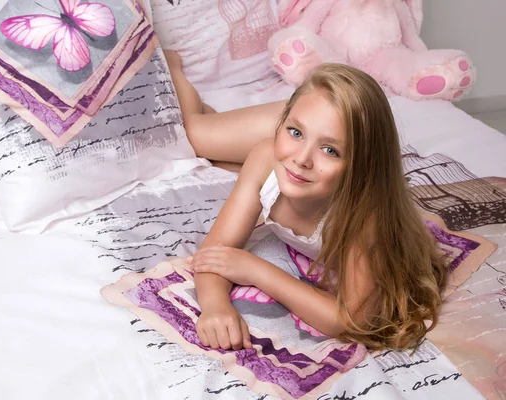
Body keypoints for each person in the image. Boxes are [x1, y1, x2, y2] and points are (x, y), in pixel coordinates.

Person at [165, 51, 448, 352]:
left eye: (331, 151)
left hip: (318, 121)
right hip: (311, 115)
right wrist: (215, 307)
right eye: (294, 132)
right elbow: (215, 251)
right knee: (193, 135)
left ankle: (238, 131)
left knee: (218, 149)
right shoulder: (267, 156)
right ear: (283, 123)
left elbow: (352, 320)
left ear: (361, 166)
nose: (301, 160)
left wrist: (255, 269)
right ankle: (172, 66)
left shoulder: (364, 215)